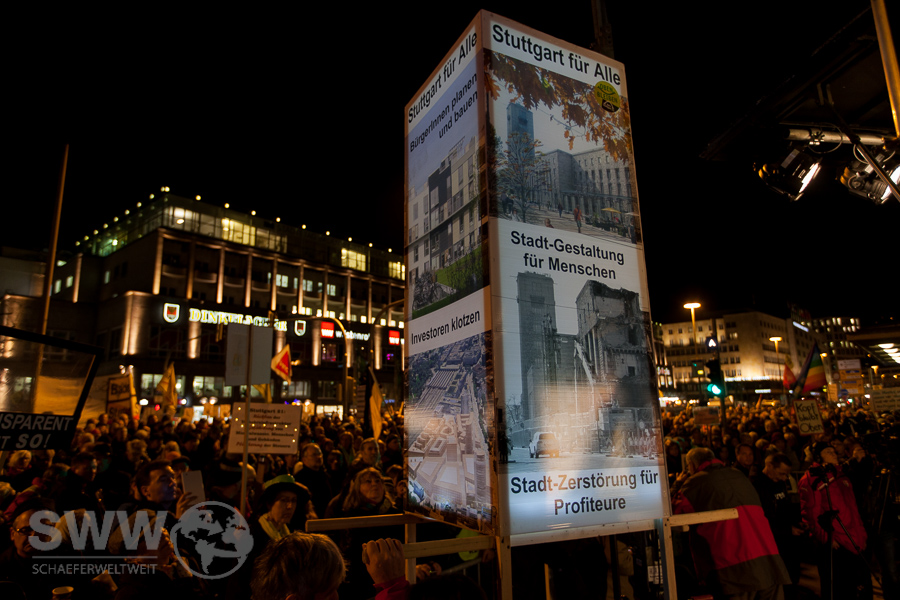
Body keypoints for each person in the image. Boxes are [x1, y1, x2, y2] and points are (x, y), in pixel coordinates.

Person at [673, 447, 789, 599]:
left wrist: (678, 484)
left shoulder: (694, 483)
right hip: (767, 558)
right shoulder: (738, 475)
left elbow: (675, 512)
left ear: (692, 465)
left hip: (733, 565)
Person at [798, 442, 871, 600]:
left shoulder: (841, 475)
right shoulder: (811, 479)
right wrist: (826, 538)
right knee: (839, 590)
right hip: (836, 542)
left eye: (834, 451)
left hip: (854, 539)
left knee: (859, 589)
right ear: (818, 457)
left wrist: (862, 535)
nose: (833, 454)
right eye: (828, 452)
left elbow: (853, 509)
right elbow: (810, 513)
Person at [751, 453, 802, 597]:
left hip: (786, 538)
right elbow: (762, 519)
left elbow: (784, 506)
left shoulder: (779, 483)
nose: (784, 478)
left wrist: (796, 522)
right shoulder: (757, 486)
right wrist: (786, 530)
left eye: (787, 474)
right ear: (769, 466)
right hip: (772, 540)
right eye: (781, 473)